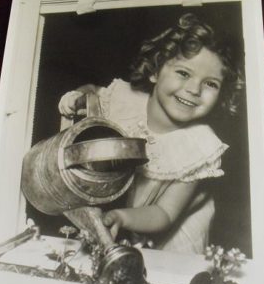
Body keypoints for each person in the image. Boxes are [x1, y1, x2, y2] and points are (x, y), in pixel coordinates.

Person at [58, 13, 244, 254]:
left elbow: (165, 213)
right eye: (184, 73)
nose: (194, 89)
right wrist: (76, 98)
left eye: (211, 83)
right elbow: (92, 93)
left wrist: (123, 218)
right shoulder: (124, 99)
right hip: (122, 213)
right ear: (155, 71)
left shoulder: (199, 147)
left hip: (174, 231)